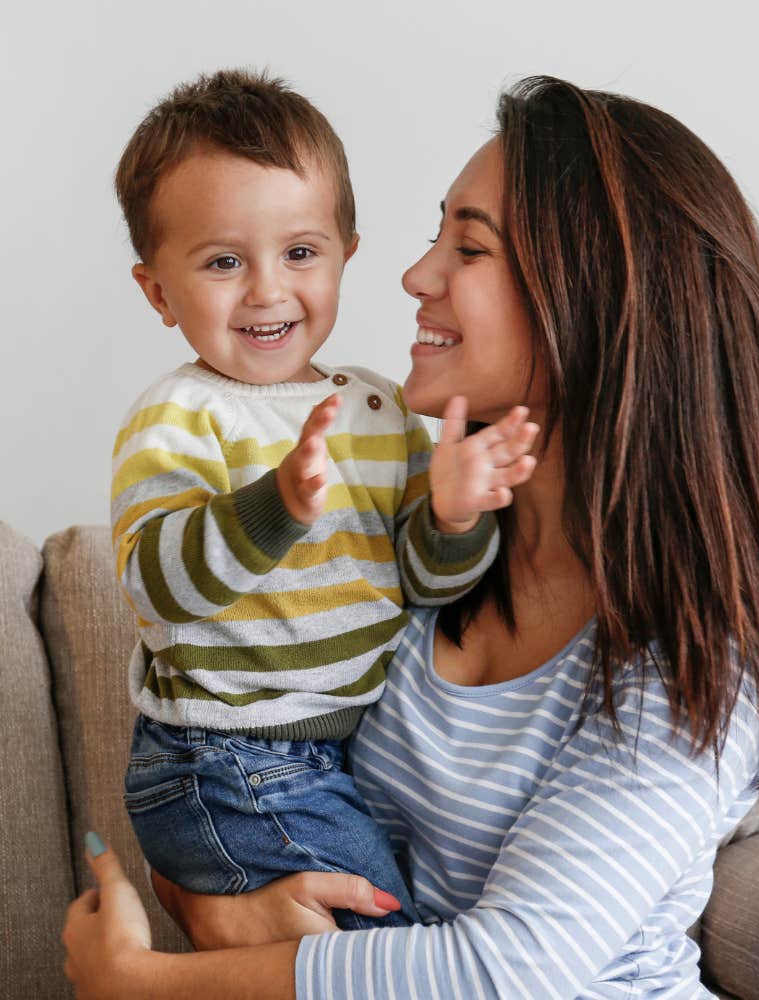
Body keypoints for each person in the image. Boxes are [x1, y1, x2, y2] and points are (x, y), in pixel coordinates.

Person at [64, 75, 759, 998]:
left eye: (467, 246)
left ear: (589, 300)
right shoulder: (418, 539)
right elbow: (244, 779)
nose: (413, 274)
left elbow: (506, 972)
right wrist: (205, 902)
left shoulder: (706, 648)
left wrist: (137, 982)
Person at [109, 68, 539, 932]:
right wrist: (274, 508)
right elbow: (156, 585)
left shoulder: (380, 408)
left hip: (333, 754)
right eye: (224, 262)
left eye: (300, 253)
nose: (267, 290)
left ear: (346, 252)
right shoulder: (181, 415)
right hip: (225, 757)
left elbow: (424, 580)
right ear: (159, 291)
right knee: (379, 937)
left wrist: (452, 518)